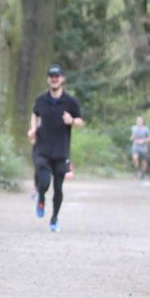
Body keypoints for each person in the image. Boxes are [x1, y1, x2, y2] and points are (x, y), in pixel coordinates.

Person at [28, 64, 84, 232]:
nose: (54, 79)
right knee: (44, 181)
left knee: (58, 188)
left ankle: (54, 219)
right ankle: (41, 197)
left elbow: (80, 121)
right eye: (51, 76)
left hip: (61, 151)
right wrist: (32, 130)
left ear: (62, 79)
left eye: (57, 76)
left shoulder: (70, 101)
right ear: (48, 79)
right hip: (42, 148)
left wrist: (72, 121)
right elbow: (35, 114)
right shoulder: (40, 100)